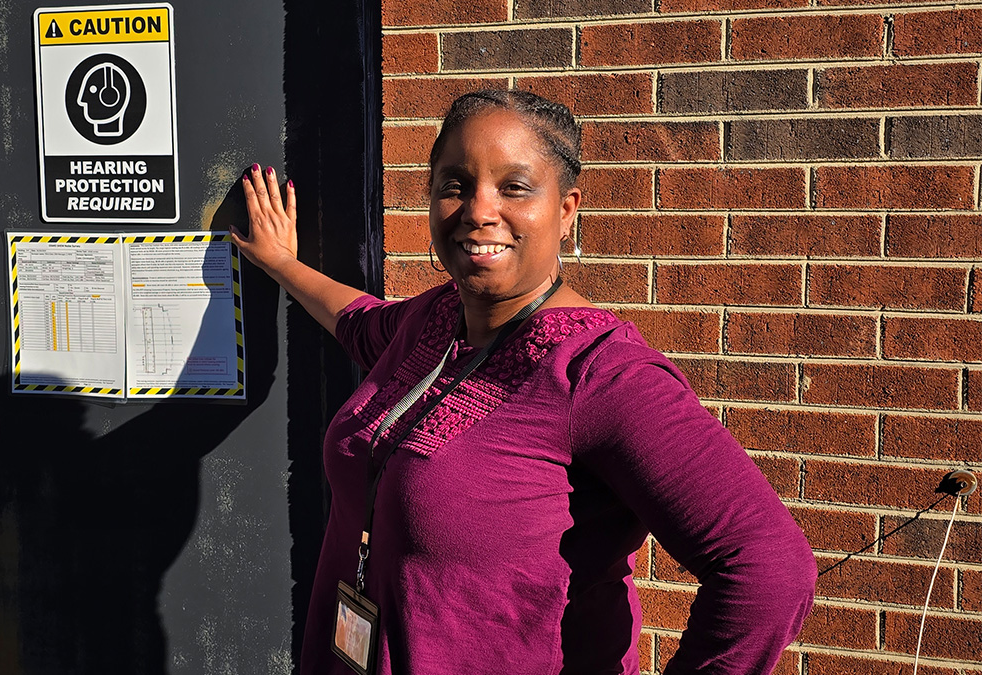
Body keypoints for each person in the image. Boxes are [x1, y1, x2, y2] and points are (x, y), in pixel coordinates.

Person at [232, 89, 816, 675]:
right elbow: (357, 322)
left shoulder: (603, 375)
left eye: (514, 187)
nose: (478, 210)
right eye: (455, 184)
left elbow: (768, 569)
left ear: (566, 210)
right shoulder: (431, 323)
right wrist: (282, 262)